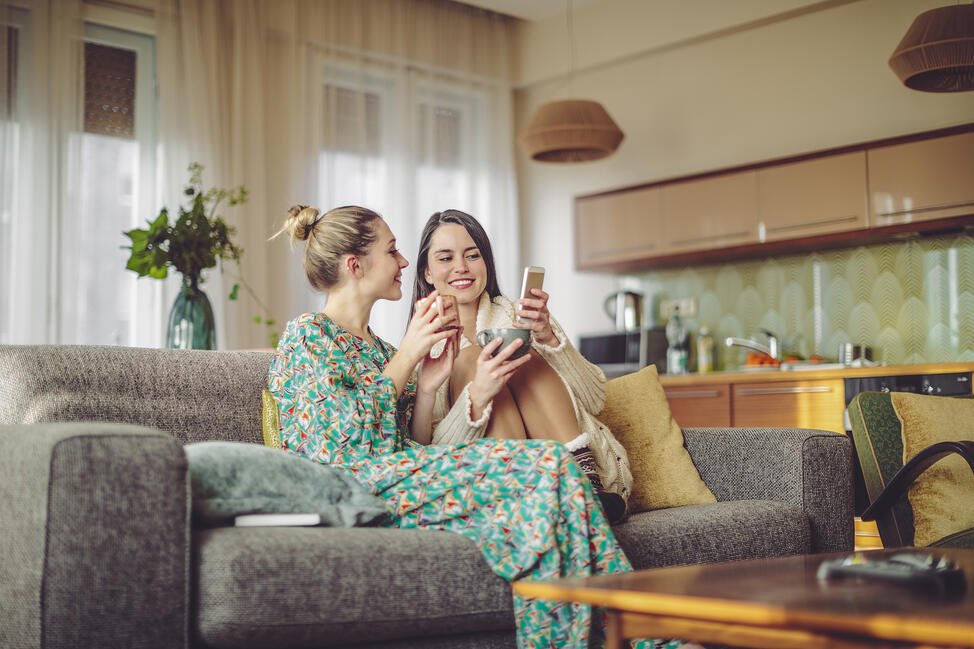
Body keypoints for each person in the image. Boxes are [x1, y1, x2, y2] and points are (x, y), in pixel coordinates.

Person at [266, 204, 685, 648]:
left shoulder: (377, 347)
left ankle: (647, 637)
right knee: (542, 467)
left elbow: (412, 444)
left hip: (401, 479)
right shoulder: (308, 336)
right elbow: (344, 446)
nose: (404, 262)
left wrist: (427, 389)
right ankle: (648, 641)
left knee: (552, 469)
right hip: (351, 488)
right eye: (393, 251)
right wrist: (408, 358)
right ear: (355, 265)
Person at [410, 209, 631, 523]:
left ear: (486, 263)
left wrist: (550, 338)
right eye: (445, 258)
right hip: (496, 482)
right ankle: (531, 490)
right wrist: (478, 398)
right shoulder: (418, 349)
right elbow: (427, 455)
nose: (461, 267)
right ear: (427, 273)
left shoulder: (522, 316)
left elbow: (596, 399)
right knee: (476, 358)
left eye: (472, 255)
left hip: (580, 474)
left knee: (515, 346)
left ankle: (584, 486)